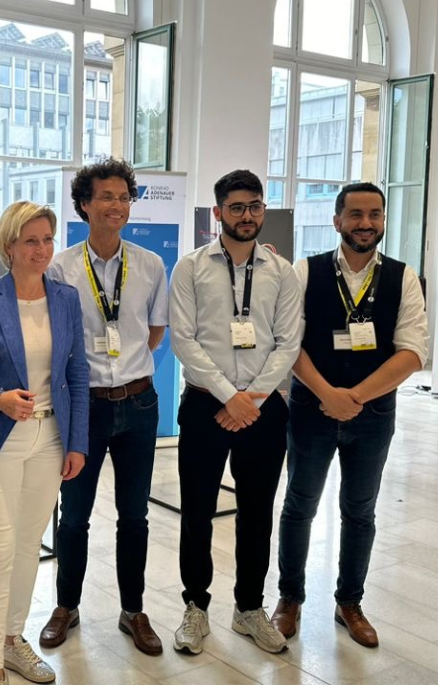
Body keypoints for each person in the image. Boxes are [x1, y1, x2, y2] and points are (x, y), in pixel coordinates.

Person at [272, 183, 428, 648]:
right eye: (356, 214)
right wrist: (327, 394)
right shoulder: (305, 271)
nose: (366, 223)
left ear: (383, 220)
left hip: (373, 415)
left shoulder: (404, 277)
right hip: (311, 410)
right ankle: (289, 598)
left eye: (374, 214)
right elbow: (288, 342)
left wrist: (354, 397)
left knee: (360, 510)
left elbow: (413, 352)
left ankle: (350, 603)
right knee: (300, 505)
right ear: (337, 220)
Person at [0, 201, 89, 685]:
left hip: (50, 437)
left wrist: (77, 442)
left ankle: (13, 640)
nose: (42, 250)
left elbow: (77, 371)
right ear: (8, 247)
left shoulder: (65, 298)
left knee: (30, 544)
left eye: (48, 240)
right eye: (31, 241)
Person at [168, 169, 301, 655]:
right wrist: (230, 396)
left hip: (264, 408)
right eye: (237, 207)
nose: (247, 215)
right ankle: (195, 607)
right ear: (218, 212)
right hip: (206, 404)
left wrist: (253, 398)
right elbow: (184, 340)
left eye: (255, 206)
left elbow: (288, 342)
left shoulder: (282, 272)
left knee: (257, 512)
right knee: (197, 511)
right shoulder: (190, 267)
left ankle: (248, 608)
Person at [40, 158, 168, 656]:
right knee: (74, 515)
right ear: (85, 205)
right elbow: (54, 338)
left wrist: (126, 368)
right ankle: (65, 606)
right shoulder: (60, 268)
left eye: (124, 197)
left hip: (139, 404)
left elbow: (154, 332)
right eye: (107, 197)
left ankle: (133, 610)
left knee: (134, 515)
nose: (117, 205)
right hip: (84, 407)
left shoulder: (150, 265)